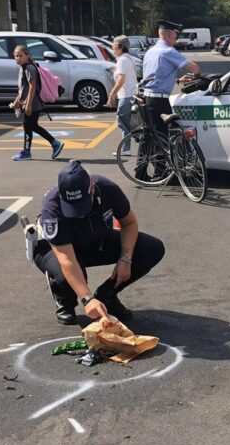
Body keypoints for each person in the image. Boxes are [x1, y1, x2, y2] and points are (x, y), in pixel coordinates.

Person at [33, 160, 165, 325]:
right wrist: (87, 299)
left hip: (93, 240)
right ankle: (64, 300)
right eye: (72, 208)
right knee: (69, 273)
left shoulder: (108, 188)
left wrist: (125, 259)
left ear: (92, 189)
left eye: (82, 206)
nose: (79, 215)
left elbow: (129, 223)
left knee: (151, 248)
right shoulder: (51, 207)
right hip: (54, 250)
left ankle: (106, 295)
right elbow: (67, 260)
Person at [140, 20, 201, 139]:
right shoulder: (168, 51)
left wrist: (177, 80)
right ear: (170, 34)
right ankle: (161, 158)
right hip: (159, 101)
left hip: (147, 98)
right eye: (175, 36)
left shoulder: (150, 51)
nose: (176, 39)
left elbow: (157, 76)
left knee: (152, 136)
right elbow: (195, 68)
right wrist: (197, 75)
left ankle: (146, 157)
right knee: (163, 136)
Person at [11, 45, 65, 162]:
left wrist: (29, 105)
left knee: (29, 126)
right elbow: (23, 88)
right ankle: (47, 145)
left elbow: (32, 86)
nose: (18, 58)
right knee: (31, 126)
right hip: (29, 102)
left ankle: (32, 150)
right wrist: (17, 102)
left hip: (33, 103)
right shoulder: (23, 67)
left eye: (21, 55)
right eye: (16, 56)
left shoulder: (29, 68)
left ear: (27, 56)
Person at [106, 36, 138, 147]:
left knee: (121, 120)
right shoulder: (127, 59)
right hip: (130, 95)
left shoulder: (123, 61)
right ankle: (126, 148)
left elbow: (120, 80)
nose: (112, 47)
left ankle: (139, 137)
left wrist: (111, 95)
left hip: (127, 95)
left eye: (114, 45)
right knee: (127, 122)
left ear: (120, 47)